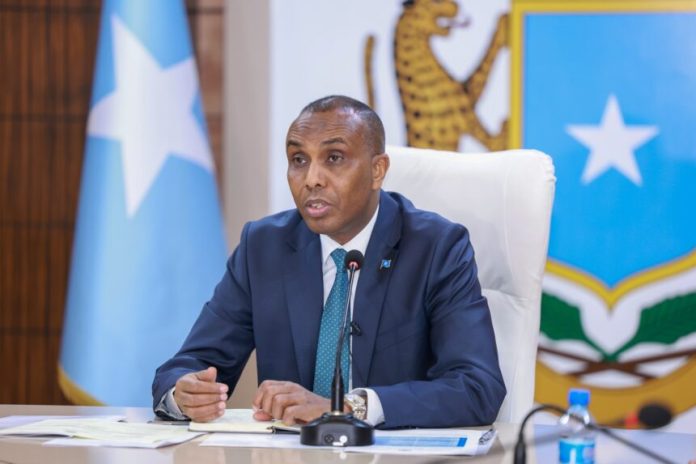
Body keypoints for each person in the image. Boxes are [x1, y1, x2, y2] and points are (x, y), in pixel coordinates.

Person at [152, 95, 506, 428]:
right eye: (298, 160)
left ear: (378, 170)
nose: (312, 179)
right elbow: (189, 365)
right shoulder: (263, 247)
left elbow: (477, 387)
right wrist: (183, 395)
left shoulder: (436, 248)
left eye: (334, 158)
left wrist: (349, 407)